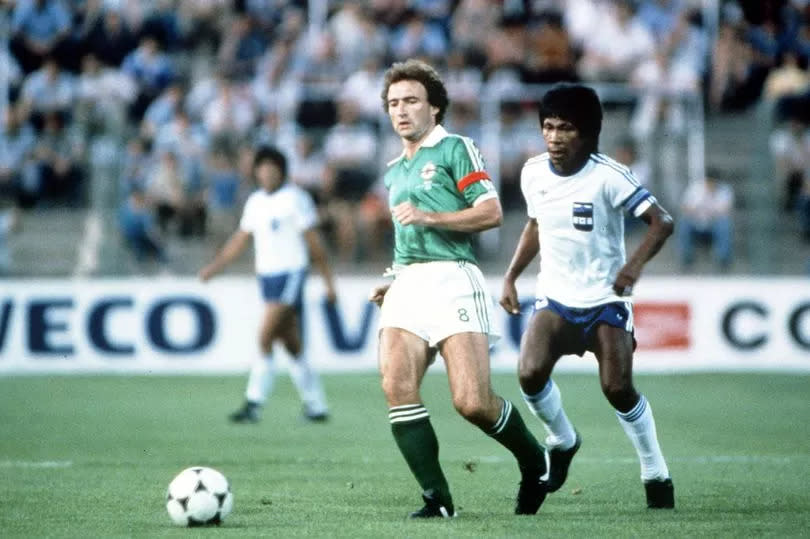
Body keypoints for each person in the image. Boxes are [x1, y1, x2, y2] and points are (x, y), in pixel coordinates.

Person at [369, 59, 549, 519]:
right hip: (409, 283)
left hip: (453, 278)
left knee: (472, 403)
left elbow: (490, 212)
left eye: (411, 101)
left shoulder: (455, 148)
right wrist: (393, 279)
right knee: (396, 385)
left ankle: (534, 461)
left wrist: (432, 217)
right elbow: (407, 238)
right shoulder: (394, 170)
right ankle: (437, 498)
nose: (401, 111)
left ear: (435, 108)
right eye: (393, 103)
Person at [499, 83, 676, 509]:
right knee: (528, 373)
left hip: (604, 300)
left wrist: (631, 268)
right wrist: (510, 276)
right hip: (556, 298)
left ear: (588, 133)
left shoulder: (608, 176)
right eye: (548, 127)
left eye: (565, 129)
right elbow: (536, 225)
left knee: (617, 388)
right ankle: (562, 440)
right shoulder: (533, 171)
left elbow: (662, 221)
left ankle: (655, 472)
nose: (554, 138)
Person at [199, 146, 336, 424]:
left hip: (291, 274)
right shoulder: (255, 202)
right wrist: (215, 268)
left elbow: (313, 242)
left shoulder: (296, 199)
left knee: (264, 336)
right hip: (267, 278)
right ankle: (317, 405)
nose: (267, 174)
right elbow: (240, 239)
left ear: (282, 171)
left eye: (272, 169)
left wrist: (327, 281)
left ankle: (253, 403)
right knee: (291, 344)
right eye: (262, 169)